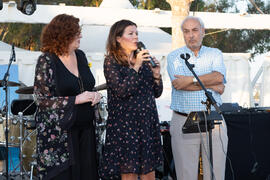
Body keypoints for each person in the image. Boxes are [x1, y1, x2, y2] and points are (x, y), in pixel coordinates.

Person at [33, 14, 102, 180]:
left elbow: (87, 86)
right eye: (77, 32)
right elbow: (41, 100)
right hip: (61, 137)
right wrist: (76, 99)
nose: (81, 36)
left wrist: (95, 95)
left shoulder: (81, 56)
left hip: (86, 131)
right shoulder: (47, 60)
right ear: (64, 34)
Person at [100, 19, 163, 180]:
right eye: (131, 33)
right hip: (125, 127)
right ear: (118, 38)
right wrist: (135, 67)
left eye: (137, 33)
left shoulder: (144, 60)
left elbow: (156, 92)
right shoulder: (111, 62)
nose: (136, 37)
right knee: (129, 173)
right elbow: (122, 90)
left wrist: (156, 75)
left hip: (147, 123)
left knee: (149, 173)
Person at [167, 16, 228, 180]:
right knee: (186, 174)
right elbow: (179, 85)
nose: (191, 35)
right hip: (184, 120)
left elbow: (219, 80)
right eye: (186, 31)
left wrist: (191, 80)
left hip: (214, 122)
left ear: (203, 31)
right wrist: (210, 82)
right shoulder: (174, 57)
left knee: (216, 174)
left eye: (194, 30)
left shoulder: (215, 54)